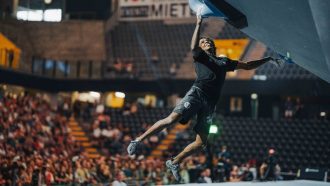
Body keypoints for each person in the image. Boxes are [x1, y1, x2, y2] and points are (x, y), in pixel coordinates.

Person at [127, 14, 280, 182]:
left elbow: (248, 65)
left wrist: (268, 59)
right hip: (196, 93)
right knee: (172, 119)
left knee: (201, 143)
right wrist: (198, 23)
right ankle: (138, 140)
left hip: (210, 104)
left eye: (208, 41)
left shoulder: (223, 61)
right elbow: (194, 46)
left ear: (213, 45)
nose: (206, 42)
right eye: (203, 41)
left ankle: (174, 162)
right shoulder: (200, 56)